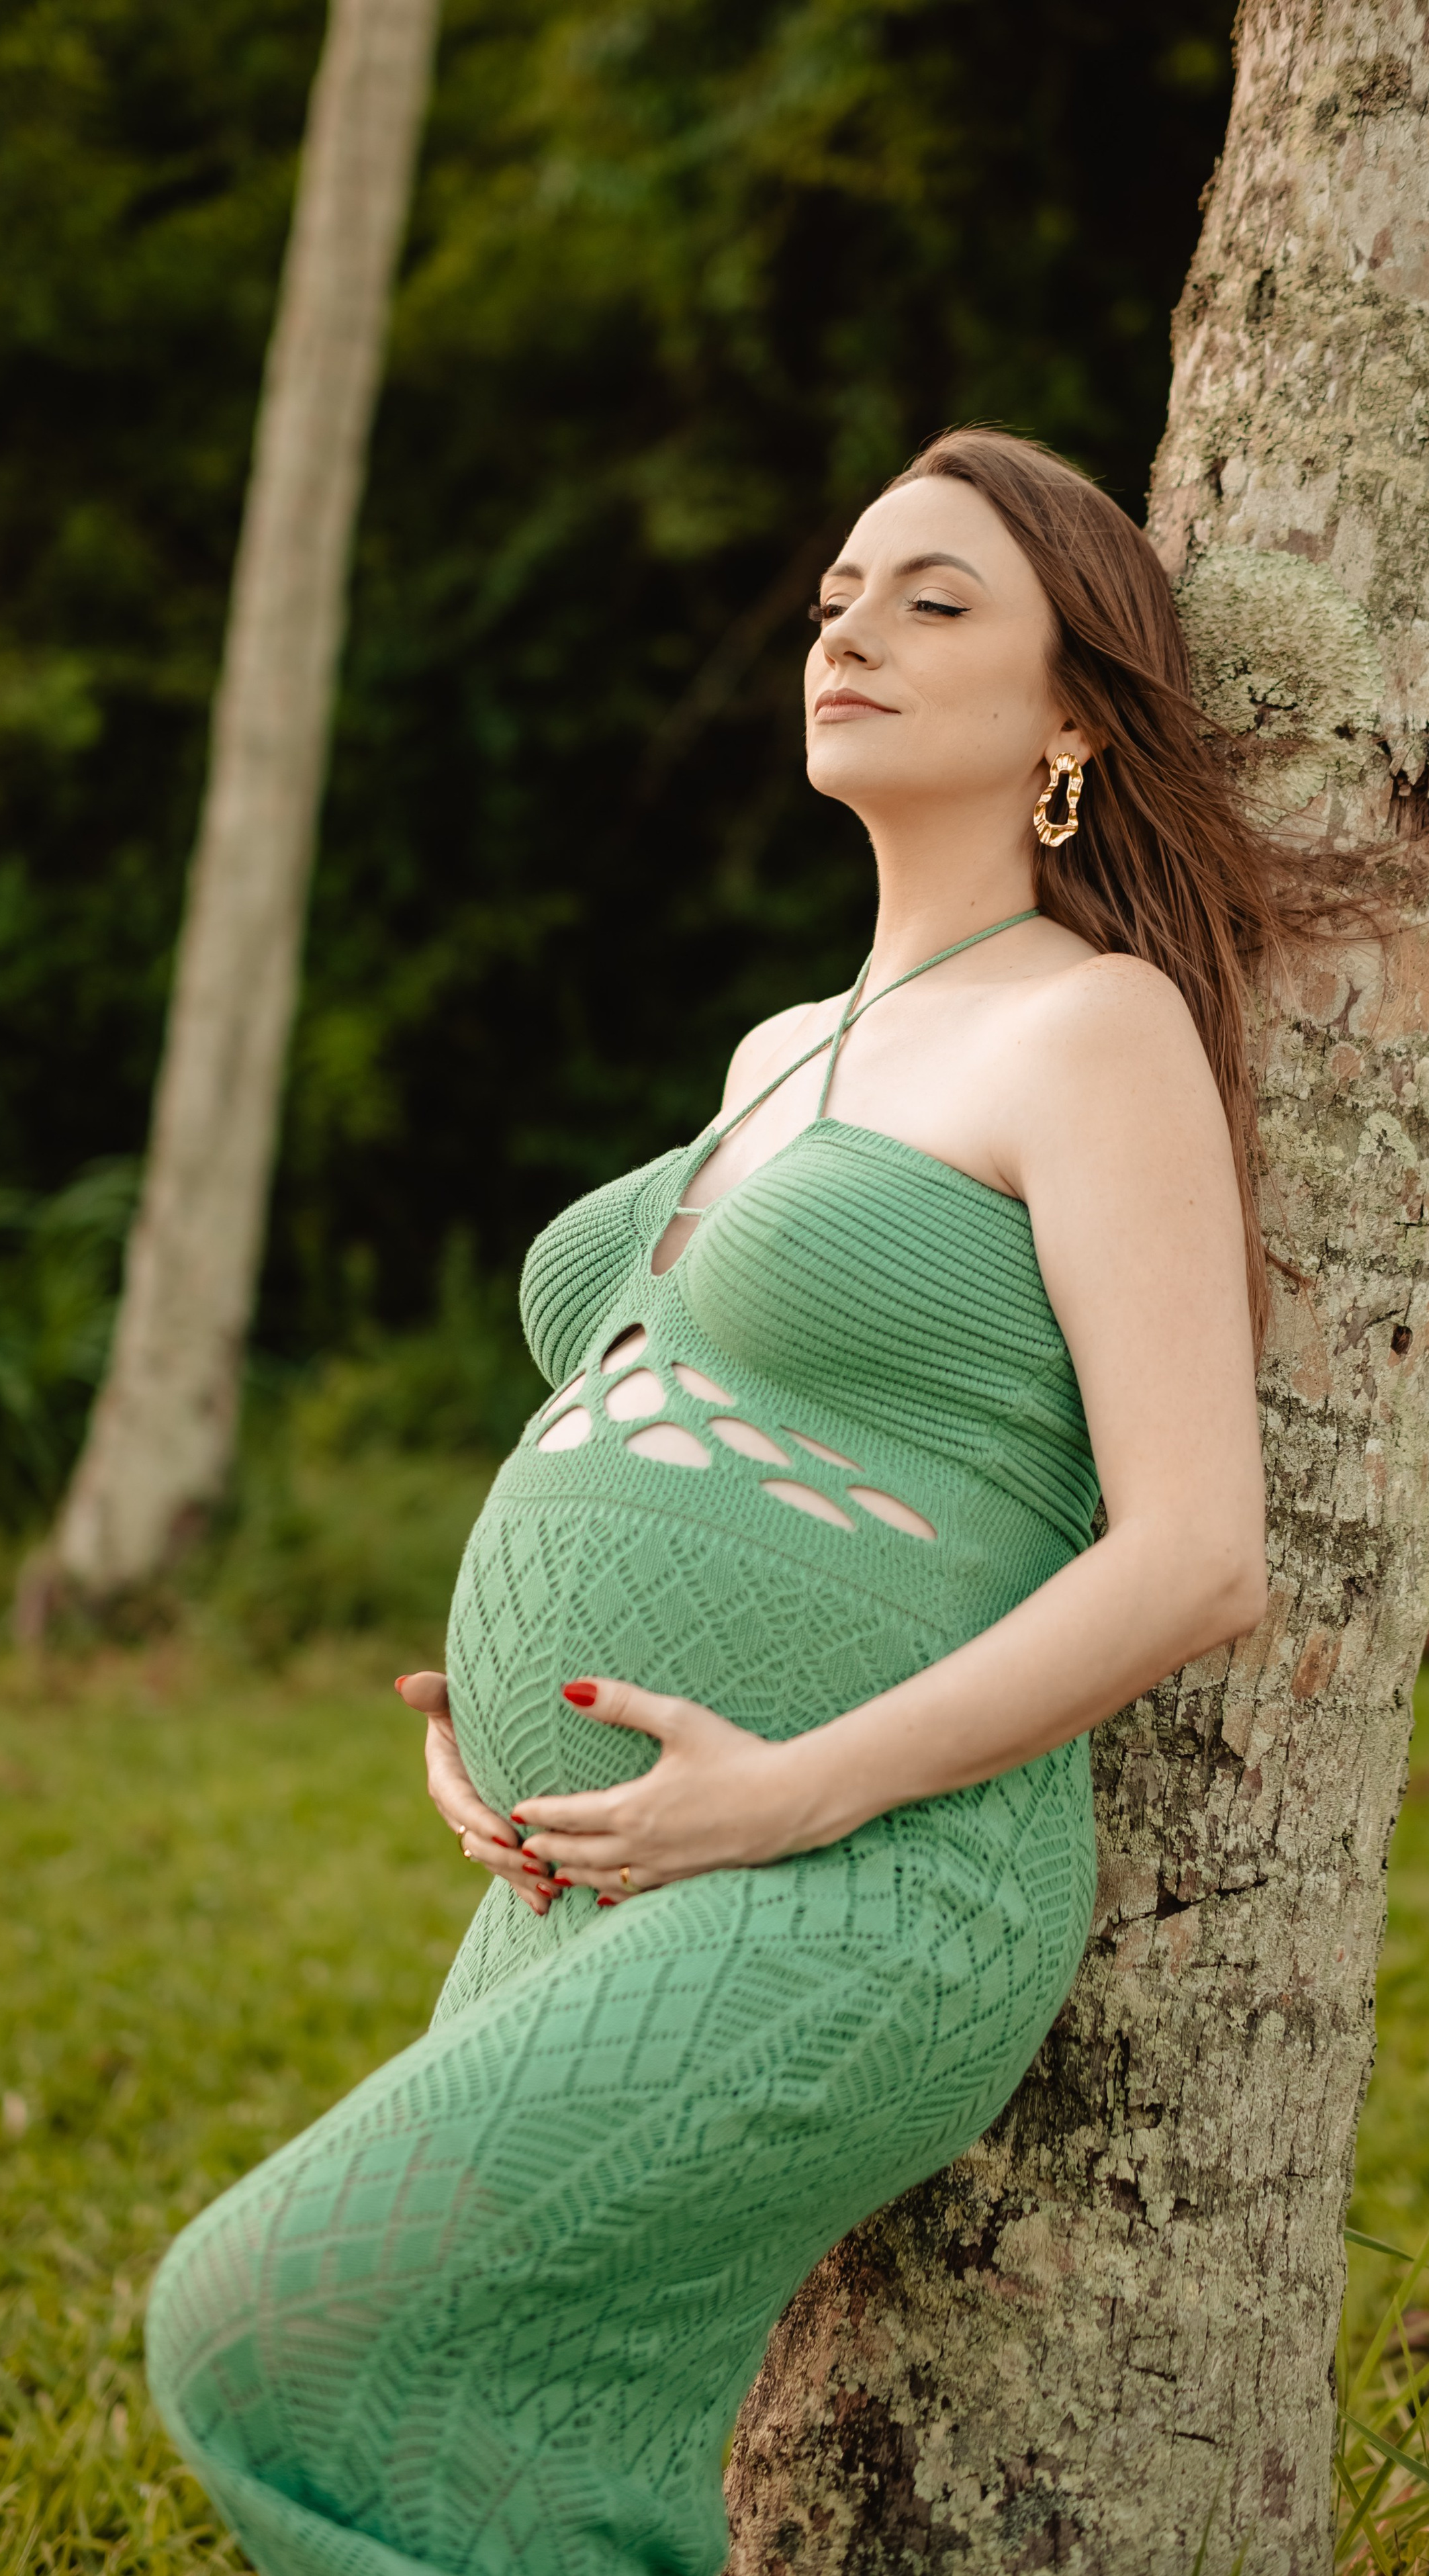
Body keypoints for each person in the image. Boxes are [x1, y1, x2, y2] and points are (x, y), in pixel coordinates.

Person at [146, 427, 1277, 2576]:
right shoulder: (782, 1046)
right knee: (508, 2451)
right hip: (591, 1873)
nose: (850, 625)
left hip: (870, 1877)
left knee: (259, 2329)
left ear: (1070, 721)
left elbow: (1198, 1547)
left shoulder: (1095, 1027)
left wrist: (791, 1794)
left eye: (936, 599)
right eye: (843, 589)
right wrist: (499, 1718)